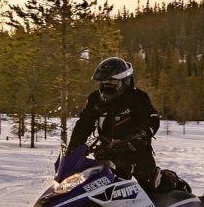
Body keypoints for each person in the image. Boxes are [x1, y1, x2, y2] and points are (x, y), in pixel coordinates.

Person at [68, 56, 172, 195]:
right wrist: (73, 148)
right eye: (104, 81)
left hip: (136, 150)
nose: (107, 85)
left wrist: (137, 137)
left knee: (151, 186)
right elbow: (83, 124)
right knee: (97, 186)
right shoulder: (95, 99)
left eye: (112, 81)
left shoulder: (137, 98)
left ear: (124, 81)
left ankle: (173, 186)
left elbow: (152, 120)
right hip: (107, 151)